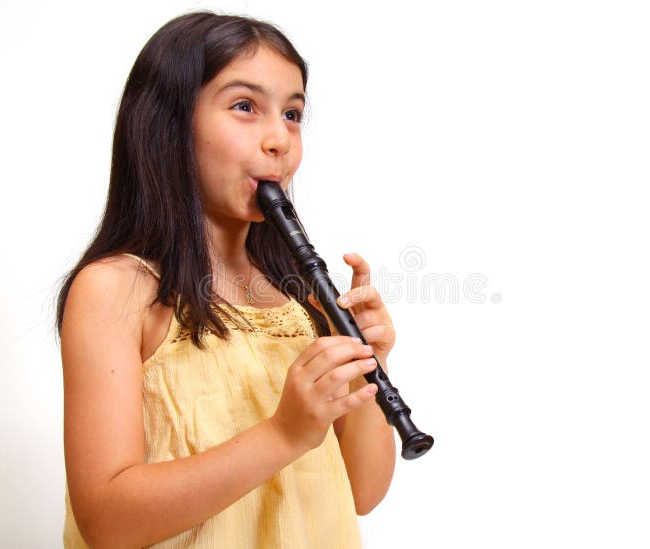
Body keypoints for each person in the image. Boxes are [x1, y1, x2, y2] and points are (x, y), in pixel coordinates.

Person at [55, 11, 396, 548]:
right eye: (244, 107)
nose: (279, 138)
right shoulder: (117, 289)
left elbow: (361, 491)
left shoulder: (299, 298)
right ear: (167, 125)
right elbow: (106, 520)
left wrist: (368, 369)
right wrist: (283, 434)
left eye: (292, 113)